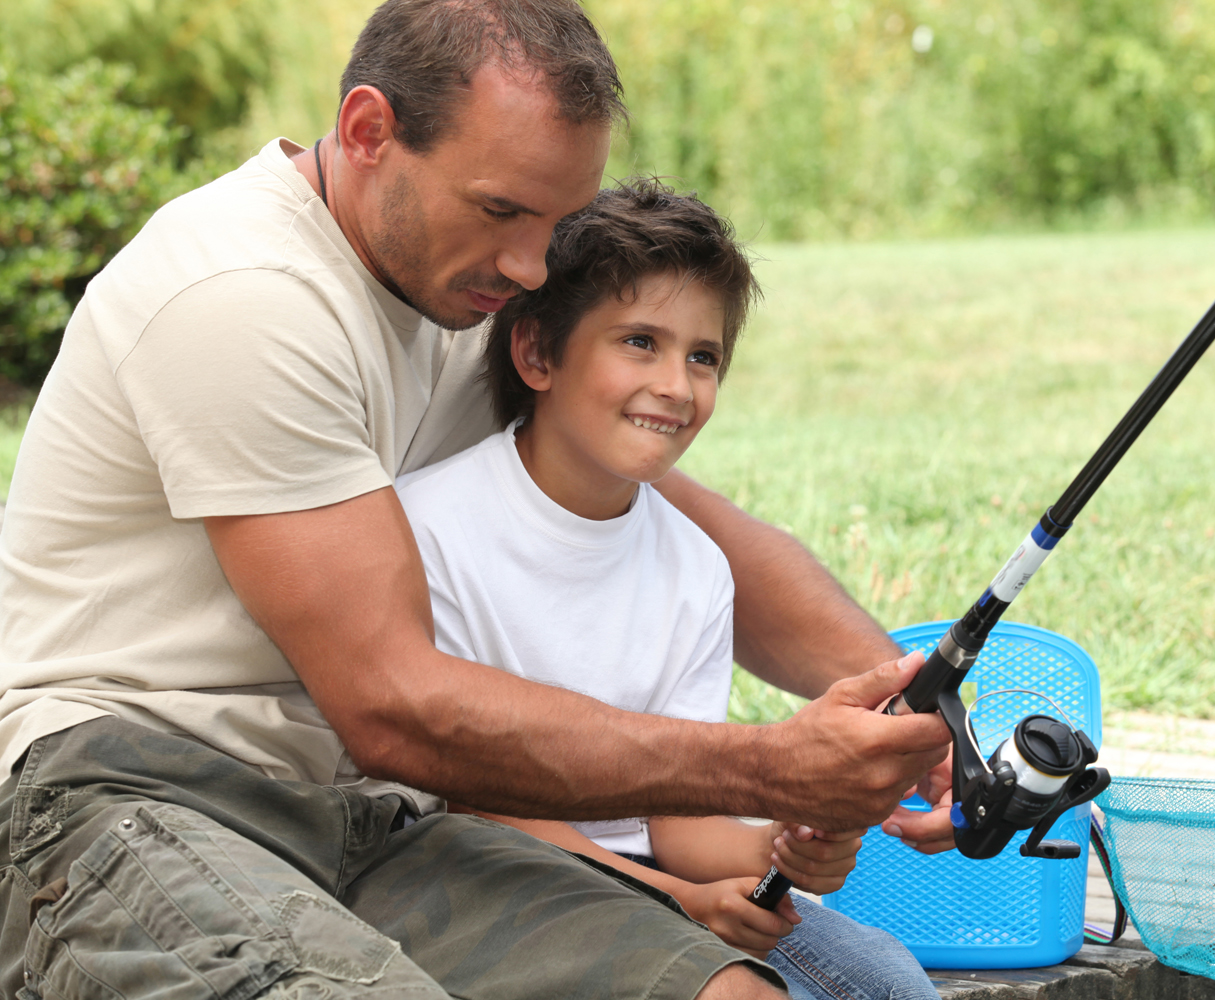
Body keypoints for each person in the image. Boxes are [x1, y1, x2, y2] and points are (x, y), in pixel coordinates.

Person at [0, 0, 953, 996]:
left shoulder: (456, 292)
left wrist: (920, 722)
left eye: (559, 224)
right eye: (502, 210)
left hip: (370, 820)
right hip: (130, 791)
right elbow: (391, 704)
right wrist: (770, 766)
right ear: (369, 132)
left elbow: (698, 528)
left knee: (731, 990)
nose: (534, 267)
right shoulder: (244, 295)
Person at [395, 179, 939, 1000]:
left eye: (703, 356)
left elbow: (673, 814)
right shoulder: (431, 527)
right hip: (490, 876)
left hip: (659, 886)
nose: (677, 387)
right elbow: (473, 808)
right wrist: (683, 903)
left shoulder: (695, 565)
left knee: (886, 982)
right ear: (537, 353)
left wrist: (779, 852)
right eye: (639, 342)